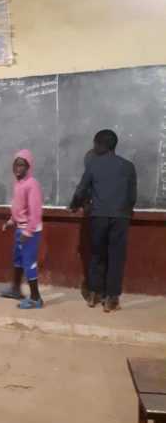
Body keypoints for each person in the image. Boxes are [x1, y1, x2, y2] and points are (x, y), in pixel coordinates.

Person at [69, 129, 137, 312]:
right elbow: (132, 196)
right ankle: (111, 300)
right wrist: (124, 212)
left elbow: (81, 190)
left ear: (100, 146)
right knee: (116, 257)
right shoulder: (128, 166)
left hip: (98, 216)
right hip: (121, 217)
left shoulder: (93, 165)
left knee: (97, 254)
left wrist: (74, 204)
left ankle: (93, 295)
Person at [1, 149, 44, 309]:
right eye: (16, 165)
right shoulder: (17, 182)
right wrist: (11, 221)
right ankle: (15, 289)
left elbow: (35, 211)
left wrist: (28, 231)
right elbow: (18, 207)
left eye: (22, 165)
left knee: (29, 262)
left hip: (30, 231)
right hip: (21, 228)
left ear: (29, 167)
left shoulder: (31, 184)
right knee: (18, 259)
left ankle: (36, 298)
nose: (18, 169)